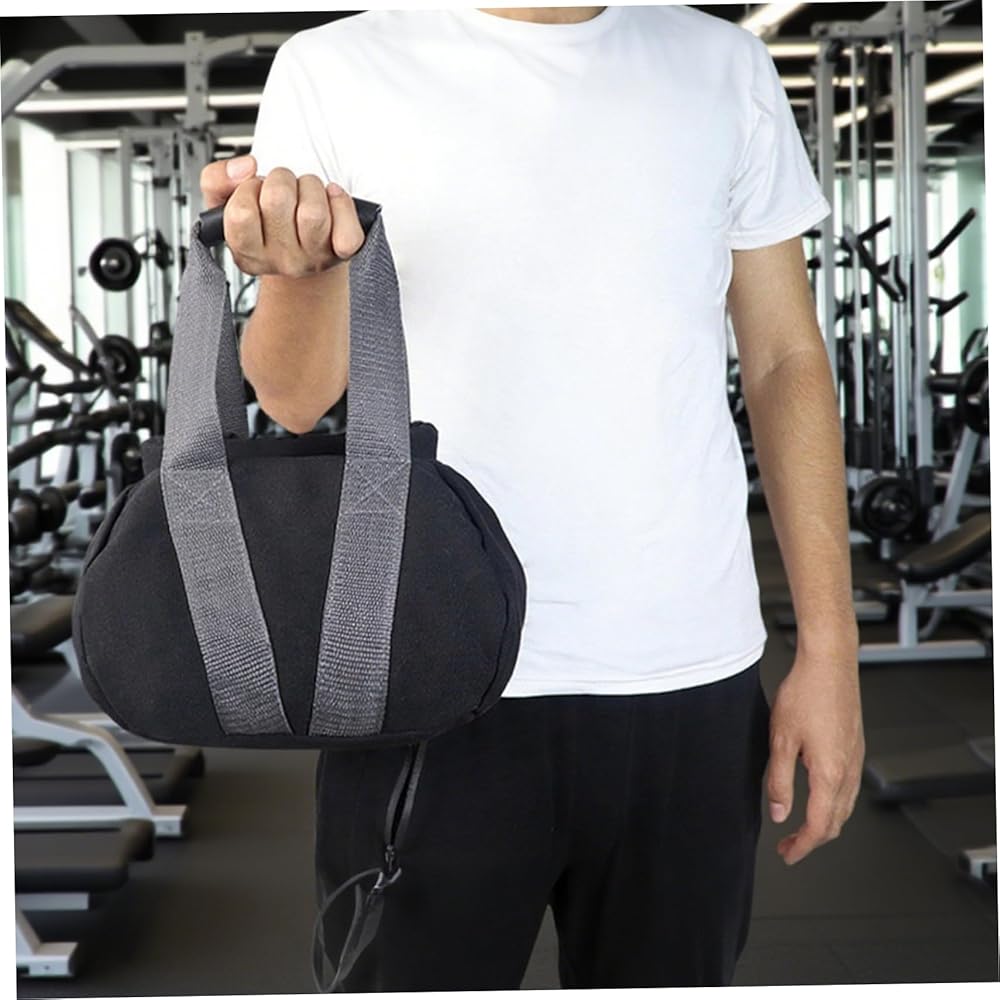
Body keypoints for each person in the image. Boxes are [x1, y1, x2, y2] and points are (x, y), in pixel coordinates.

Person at [199, 5, 865, 990]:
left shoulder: (724, 64)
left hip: (685, 671)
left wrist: (831, 650)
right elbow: (295, 399)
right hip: (428, 666)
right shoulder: (334, 68)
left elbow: (784, 359)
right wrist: (297, 277)